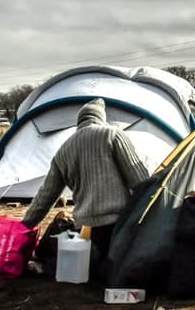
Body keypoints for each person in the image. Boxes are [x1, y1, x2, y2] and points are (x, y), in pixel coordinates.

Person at [22, 98, 149, 279]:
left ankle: (51, 264)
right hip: (118, 228)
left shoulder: (63, 151)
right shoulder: (113, 134)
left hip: (86, 231)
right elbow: (141, 182)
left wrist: (23, 226)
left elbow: (45, 198)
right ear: (101, 118)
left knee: (87, 261)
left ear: (79, 122)